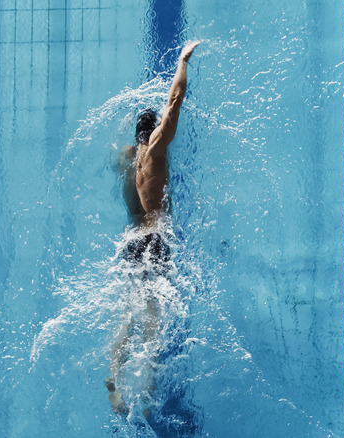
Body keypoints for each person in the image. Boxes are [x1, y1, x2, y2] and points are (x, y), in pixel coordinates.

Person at [107, 41, 200, 416]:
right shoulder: (155, 152)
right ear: (153, 133)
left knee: (127, 314)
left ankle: (114, 378)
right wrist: (182, 61)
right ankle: (146, 392)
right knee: (153, 319)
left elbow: (124, 150)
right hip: (156, 240)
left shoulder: (127, 160)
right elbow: (174, 104)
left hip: (131, 240)